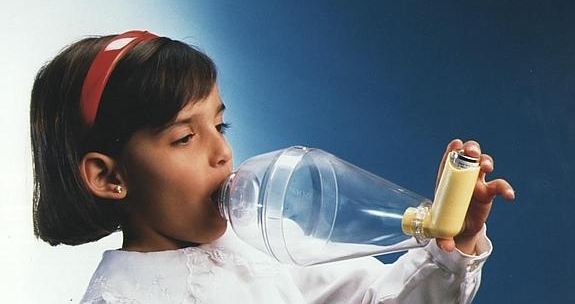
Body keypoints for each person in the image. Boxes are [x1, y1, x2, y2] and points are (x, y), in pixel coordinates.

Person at [30, 30, 515, 304]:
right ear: (110, 177)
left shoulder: (263, 239)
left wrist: (454, 241)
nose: (221, 153)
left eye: (221, 126)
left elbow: (385, 299)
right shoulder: (119, 299)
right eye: (183, 137)